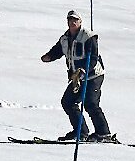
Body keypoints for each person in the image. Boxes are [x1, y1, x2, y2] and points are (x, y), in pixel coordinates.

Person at [40, 10, 113, 143]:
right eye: (70, 20)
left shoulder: (88, 37)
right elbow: (57, 51)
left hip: (93, 75)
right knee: (68, 102)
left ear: (80, 22)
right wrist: (49, 57)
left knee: (90, 103)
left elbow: (93, 58)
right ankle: (81, 131)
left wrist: (84, 70)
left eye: (75, 20)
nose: (73, 22)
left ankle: (103, 133)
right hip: (77, 78)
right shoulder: (65, 38)